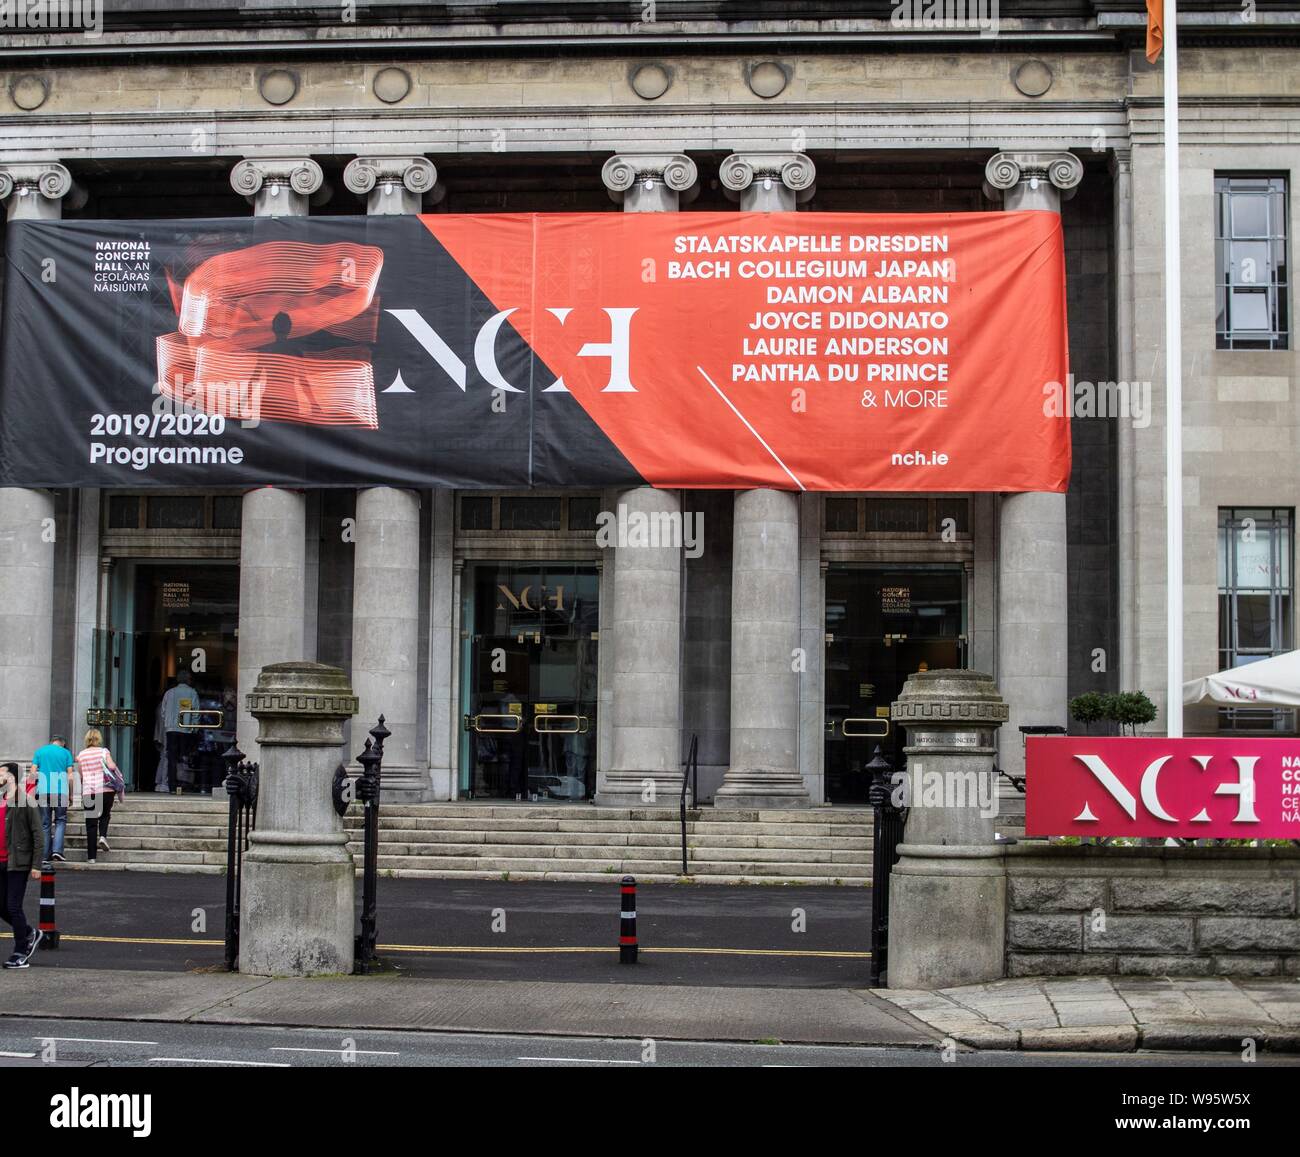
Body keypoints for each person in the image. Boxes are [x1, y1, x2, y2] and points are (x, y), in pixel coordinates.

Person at [0, 762, 45, 968]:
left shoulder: (26, 802)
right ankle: (29, 932)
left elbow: (38, 835)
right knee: (1, 907)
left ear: (11, 777)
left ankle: (21, 950)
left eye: (1, 773)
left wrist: (36, 865)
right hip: (1, 862)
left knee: (13, 906)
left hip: (17, 862)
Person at [74, 729, 124, 863]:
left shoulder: (81, 755)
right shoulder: (104, 752)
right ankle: (102, 836)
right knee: (105, 815)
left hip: (89, 791)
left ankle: (91, 857)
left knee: (91, 824)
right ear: (98, 739)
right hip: (105, 789)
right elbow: (111, 766)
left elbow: (82, 775)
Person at [31, 734, 73, 863]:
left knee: (45, 823)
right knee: (60, 820)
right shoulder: (66, 753)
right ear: (62, 743)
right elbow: (70, 776)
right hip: (60, 792)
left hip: (43, 791)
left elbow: (32, 773)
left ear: (51, 742)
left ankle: (44, 855)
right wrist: (71, 794)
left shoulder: (40, 751)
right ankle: (57, 851)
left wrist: (32, 791)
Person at [155, 671, 198, 793]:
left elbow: (162, 712)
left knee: (172, 758)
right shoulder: (192, 692)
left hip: (171, 730)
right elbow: (195, 713)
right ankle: (183, 783)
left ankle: (172, 785)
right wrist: (194, 728)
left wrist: (168, 723)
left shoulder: (169, 693)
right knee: (184, 757)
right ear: (188, 679)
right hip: (186, 729)